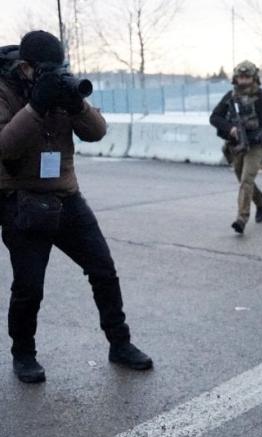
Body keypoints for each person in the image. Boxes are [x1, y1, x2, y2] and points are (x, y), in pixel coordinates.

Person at [0, 30, 152, 384]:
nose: (55, 74)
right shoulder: (4, 91)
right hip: (21, 199)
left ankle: (120, 343)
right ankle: (23, 353)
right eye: (47, 69)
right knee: (29, 287)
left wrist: (76, 103)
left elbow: (96, 132)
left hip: (66, 197)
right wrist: (36, 106)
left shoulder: (60, 87)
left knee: (104, 270)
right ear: (25, 67)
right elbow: (5, 146)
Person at [209, 60, 262, 234]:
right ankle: (261, 202)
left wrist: (256, 135)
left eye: (247, 77)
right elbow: (214, 118)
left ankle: (241, 219)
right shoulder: (230, 97)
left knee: (246, 180)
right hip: (236, 145)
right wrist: (230, 128)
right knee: (244, 181)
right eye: (240, 77)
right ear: (235, 78)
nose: (243, 81)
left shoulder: (261, 98)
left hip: (255, 146)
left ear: (254, 78)